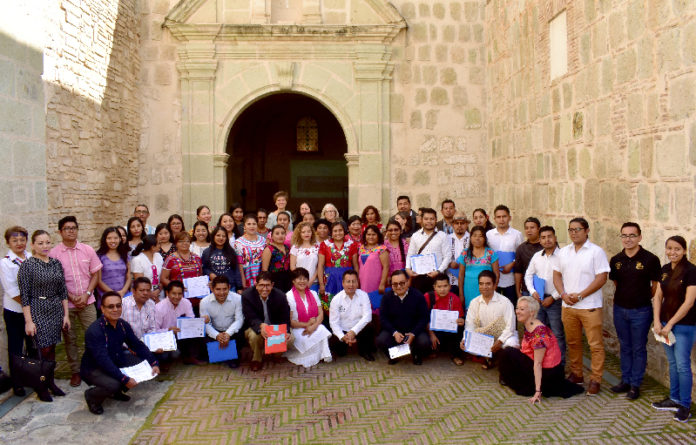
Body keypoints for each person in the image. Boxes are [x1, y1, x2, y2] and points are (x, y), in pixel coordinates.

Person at [552, 217, 610, 396]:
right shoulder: (563, 252)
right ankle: (577, 374)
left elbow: (602, 278)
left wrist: (581, 295)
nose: (574, 233)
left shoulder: (596, 252)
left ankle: (595, 379)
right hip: (568, 305)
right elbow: (556, 276)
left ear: (587, 231)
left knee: (595, 345)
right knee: (573, 342)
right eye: (571, 230)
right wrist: (562, 294)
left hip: (589, 306)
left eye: (577, 229)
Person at [81, 292, 160, 415]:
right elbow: (103, 361)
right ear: (102, 308)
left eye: (118, 306)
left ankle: (115, 392)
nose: (115, 309)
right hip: (94, 368)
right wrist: (124, 378)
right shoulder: (94, 331)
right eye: (110, 306)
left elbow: (137, 345)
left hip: (115, 360)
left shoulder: (123, 325)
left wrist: (153, 362)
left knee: (141, 364)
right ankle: (92, 397)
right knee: (115, 383)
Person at [608, 222, 661, 400]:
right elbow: (616, 283)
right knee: (625, 346)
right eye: (624, 235)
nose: (628, 239)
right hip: (620, 310)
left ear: (639, 237)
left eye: (632, 235)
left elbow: (655, 286)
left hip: (641, 311)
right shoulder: (616, 260)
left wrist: (641, 297)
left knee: (638, 348)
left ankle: (635, 385)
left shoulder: (650, 259)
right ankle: (626, 380)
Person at [49, 216, 102, 388]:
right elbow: (56, 281)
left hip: (88, 301)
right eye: (67, 228)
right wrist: (71, 297)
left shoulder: (87, 250)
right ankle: (75, 372)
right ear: (60, 232)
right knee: (70, 339)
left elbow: (95, 274)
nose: (71, 231)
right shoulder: (54, 254)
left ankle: (93, 367)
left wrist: (86, 294)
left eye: (73, 228)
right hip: (67, 305)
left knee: (93, 335)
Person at [498, 296, 584, 401]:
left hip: (548, 373)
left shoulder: (539, 334)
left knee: (507, 353)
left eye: (522, 309)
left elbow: (538, 363)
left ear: (532, 312)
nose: (517, 312)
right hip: (541, 366)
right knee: (509, 352)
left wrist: (537, 391)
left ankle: (534, 386)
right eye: (517, 308)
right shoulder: (530, 324)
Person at [19, 230, 71, 401]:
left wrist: (66, 315)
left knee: (52, 349)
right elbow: (24, 296)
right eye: (40, 243)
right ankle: (40, 385)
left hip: (55, 309)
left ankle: (50, 382)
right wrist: (28, 321)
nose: (45, 246)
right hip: (37, 309)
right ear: (32, 245)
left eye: (47, 242)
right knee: (43, 349)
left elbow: (63, 291)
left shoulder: (56, 263)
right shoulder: (28, 265)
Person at [651, 235, 696, 422]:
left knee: (683, 366)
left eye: (677, 249)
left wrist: (670, 324)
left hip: (683, 326)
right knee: (673, 364)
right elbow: (658, 296)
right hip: (664, 326)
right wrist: (657, 321)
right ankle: (674, 398)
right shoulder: (664, 270)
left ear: (684, 251)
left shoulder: (691, 271)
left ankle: (685, 405)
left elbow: (689, 301)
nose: (672, 252)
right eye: (669, 248)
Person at [523, 226, 565, 365]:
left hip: (556, 301)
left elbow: (566, 280)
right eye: (543, 237)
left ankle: (559, 364)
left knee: (557, 334)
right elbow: (528, 275)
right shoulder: (537, 256)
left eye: (549, 236)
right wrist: (532, 291)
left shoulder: (563, 256)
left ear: (555, 238)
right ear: (540, 240)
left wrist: (553, 297)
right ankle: (539, 362)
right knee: (537, 331)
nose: (547, 240)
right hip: (538, 299)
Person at [461, 270, 519, 369]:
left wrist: (500, 341)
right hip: (486, 337)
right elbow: (470, 325)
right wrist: (465, 339)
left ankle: (505, 367)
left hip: (503, 336)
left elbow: (511, 327)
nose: (484, 287)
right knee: (466, 344)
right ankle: (490, 356)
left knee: (512, 345)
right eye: (481, 284)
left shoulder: (505, 302)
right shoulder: (474, 302)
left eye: (488, 284)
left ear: (494, 284)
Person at [1, 226, 32, 396]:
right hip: (15, 311)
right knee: (16, 348)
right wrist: (30, 304)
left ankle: (34, 376)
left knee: (33, 346)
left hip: (32, 310)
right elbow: (12, 291)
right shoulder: (5, 262)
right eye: (15, 240)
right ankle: (17, 382)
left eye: (22, 240)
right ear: (8, 243)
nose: (19, 243)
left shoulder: (31, 257)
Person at [377, 270, 431, 365]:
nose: (399, 286)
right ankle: (395, 355)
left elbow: (424, 317)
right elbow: (383, 318)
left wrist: (413, 333)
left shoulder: (418, 296)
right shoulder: (386, 297)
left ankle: (416, 354)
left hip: (414, 331)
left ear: (407, 282)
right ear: (392, 285)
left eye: (402, 283)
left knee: (425, 341)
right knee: (381, 340)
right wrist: (394, 332)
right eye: (395, 284)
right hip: (395, 332)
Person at [241, 272, 292, 371]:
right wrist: (260, 325)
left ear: (272, 285)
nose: (264, 289)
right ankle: (257, 359)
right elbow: (249, 317)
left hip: (274, 328)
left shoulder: (280, 296)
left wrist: (287, 331)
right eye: (261, 285)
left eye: (267, 285)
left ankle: (275, 354)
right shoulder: (247, 295)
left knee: (291, 339)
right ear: (256, 285)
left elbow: (285, 317)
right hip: (255, 327)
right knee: (254, 336)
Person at [285, 268, 332, 367]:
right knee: (302, 338)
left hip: (313, 325)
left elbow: (321, 314)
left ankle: (321, 355)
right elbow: (290, 321)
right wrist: (307, 324)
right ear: (293, 281)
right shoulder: (289, 296)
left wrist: (313, 326)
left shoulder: (313, 294)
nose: (302, 281)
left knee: (322, 329)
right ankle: (306, 357)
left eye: (305, 278)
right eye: (299, 279)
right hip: (297, 328)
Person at [329, 270, 375, 361]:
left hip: (359, 330)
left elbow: (367, 316)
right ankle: (346, 344)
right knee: (340, 352)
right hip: (343, 332)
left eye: (353, 281)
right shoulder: (336, 299)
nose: (351, 285)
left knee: (369, 326)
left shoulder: (363, 295)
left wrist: (353, 331)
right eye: (348, 281)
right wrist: (343, 337)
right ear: (343, 283)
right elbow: (333, 322)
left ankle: (365, 351)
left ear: (357, 283)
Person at [154, 280, 203, 365]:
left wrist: (197, 323)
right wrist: (168, 330)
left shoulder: (186, 303)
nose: (177, 297)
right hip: (165, 336)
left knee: (198, 329)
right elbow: (154, 330)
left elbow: (191, 320)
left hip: (181, 334)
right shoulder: (159, 308)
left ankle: (189, 357)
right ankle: (165, 361)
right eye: (174, 293)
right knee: (165, 357)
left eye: (180, 294)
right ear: (167, 293)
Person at [200, 275, 244, 369]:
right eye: (218, 289)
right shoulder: (204, 302)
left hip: (231, 332)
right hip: (215, 332)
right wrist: (217, 335)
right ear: (212, 289)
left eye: (224, 289)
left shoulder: (238, 299)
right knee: (202, 335)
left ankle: (230, 356)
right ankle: (222, 354)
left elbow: (239, 320)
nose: (222, 293)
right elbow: (206, 324)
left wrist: (228, 334)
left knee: (241, 334)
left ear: (229, 287)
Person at [405, 208, 451, 294]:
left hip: (437, 277)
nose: (429, 221)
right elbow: (410, 255)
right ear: (422, 220)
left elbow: (447, 256)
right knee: (420, 304)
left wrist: (438, 271)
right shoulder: (415, 236)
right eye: (426, 219)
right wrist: (408, 269)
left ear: (436, 220)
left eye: (432, 219)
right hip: (418, 277)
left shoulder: (442, 236)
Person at [486, 205, 523, 306]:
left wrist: (512, 264)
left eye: (504, 216)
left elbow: (520, 255)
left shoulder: (517, 234)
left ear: (509, 218)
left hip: (510, 279)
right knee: (493, 307)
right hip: (493, 278)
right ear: (494, 219)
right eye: (498, 217)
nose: (501, 220)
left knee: (510, 307)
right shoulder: (489, 235)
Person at [425, 273, 465, 365]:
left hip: (449, 330)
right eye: (439, 286)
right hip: (432, 329)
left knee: (460, 328)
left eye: (445, 286)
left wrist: (461, 321)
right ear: (434, 287)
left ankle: (456, 355)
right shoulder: (428, 297)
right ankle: (434, 349)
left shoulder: (455, 298)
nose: (442, 289)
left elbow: (461, 318)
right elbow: (423, 318)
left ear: (450, 286)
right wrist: (431, 334)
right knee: (423, 338)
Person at [317, 222, 359, 309]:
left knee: (347, 306)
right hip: (330, 280)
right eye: (335, 231)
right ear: (331, 233)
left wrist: (356, 281)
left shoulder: (352, 244)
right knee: (330, 306)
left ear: (344, 231)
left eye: (340, 230)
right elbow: (320, 265)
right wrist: (321, 284)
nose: (338, 233)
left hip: (347, 279)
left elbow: (355, 265)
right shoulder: (324, 245)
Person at [457, 226, 500, 309]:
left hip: (486, 290)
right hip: (468, 290)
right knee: (470, 315)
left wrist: (493, 291)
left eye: (480, 236)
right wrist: (461, 294)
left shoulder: (491, 253)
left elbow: (497, 275)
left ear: (484, 238)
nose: (477, 238)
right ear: (470, 237)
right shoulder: (465, 253)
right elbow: (461, 276)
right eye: (474, 235)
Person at [160, 232, 203, 313]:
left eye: (187, 241)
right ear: (176, 243)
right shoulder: (170, 259)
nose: (184, 243)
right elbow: (163, 278)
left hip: (196, 298)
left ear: (190, 243)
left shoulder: (197, 258)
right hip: (177, 298)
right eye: (181, 241)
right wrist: (176, 288)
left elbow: (200, 275)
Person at [96, 227, 132, 307]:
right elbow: (98, 280)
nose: (113, 241)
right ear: (104, 239)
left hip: (124, 297)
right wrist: (114, 293)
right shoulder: (99, 256)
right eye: (109, 238)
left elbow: (129, 277)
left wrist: (123, 291)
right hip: (106, 297)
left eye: (115, 238)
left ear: (120, 239)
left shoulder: (125, 255)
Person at [202, 226, 242, 292]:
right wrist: (210, 274)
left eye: (223, 236)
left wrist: (239, 287)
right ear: (213, 236)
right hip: (214, 288)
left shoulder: (231, 252)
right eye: (218, 235)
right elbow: (204, 268)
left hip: (230, 287)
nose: (221, 238)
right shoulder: (207, 252)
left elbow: (236, 270)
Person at [358, 225, 389, 310]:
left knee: (375, 305)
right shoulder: (361, 248)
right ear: (365, 236)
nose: (371, 237)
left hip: (376, 283)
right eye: (368, 234)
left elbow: (386, 267)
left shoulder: (382, 249)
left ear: (378, 236)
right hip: (363, 282)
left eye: (373, 234)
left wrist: (382, 284)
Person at [514, 217, 543, 300]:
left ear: (539, 229)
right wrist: (518, 292)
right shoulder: (521, 248)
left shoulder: (546, 246)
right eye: (526, 228)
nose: (529, 230)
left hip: (545, 290)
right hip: (526, 290)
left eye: (532, 227)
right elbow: (518, 272)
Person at [235, 214, 267, 289]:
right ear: (244, 226)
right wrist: (242, 281)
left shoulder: (263, 241)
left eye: (254, 224)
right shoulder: (238, 242)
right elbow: (239, 264)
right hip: (247, 279)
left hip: (262, 279)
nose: (252, 226)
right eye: (249, 224)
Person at [130, 235, 164, 302]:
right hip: (145, 295)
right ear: (153, 247)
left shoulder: (158, 256)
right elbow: (139, 282)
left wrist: (158, 290)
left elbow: (162, 276)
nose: (160, 245)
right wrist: (151, 295)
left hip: (159, 293)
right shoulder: (137, 260)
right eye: (158, 244)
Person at [290, 222, 320, 292]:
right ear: (299, 234)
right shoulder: (295, 247)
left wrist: (311, 280)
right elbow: (292, 266)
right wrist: (302, 280)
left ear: (312, 232)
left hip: (313, 282)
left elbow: (320, 266)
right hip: (299, 283)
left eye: (309, 231)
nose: (306, 234)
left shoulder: (318, 246)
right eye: (303, 232)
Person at [262, 225, 291, 292]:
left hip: (287, 280)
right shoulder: (269, 249)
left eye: (283, 233)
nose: (280, 236)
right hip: (275, 281)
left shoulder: (287, 248)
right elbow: (264, 269)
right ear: (272, 236)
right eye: (277, 233)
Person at [447, 211, 470, 295]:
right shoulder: (446, 239)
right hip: (450, 281)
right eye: (457, 223)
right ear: (453, 224)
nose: (459, 226)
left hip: (468, 281)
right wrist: (449, 264)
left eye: (462, 223)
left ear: (467, 224)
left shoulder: (472, 238)